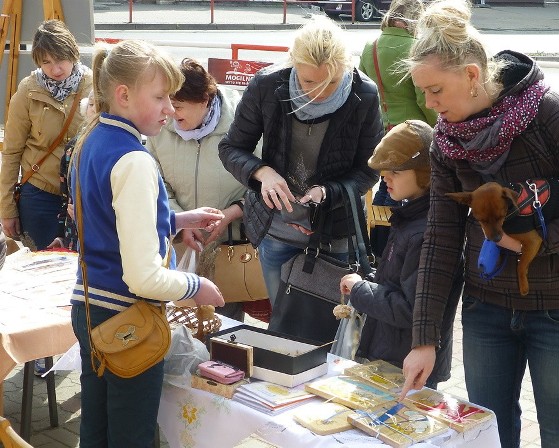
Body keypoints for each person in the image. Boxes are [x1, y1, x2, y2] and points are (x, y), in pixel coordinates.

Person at [399, 1, 559, 447]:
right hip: (485, 312)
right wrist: (425, 338)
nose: (428, 105)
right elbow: (440, 242)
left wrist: (532, 242)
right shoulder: (447, 143)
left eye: (435, 91)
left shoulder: (545, 111)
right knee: (487, 432)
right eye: (422, 93)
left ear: (471, 75)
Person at [69, 40, 225, 448]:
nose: (170, 109)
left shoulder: (93, 139)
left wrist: (172, 220)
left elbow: (106, 218)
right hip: (127, 319)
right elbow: (143, 277)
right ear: (123, 94)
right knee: (131, 437)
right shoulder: (135, 158)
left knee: (97, 431)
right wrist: (196, 287)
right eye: (160, 98)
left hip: (90, 305)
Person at [219, 17, 383, 311]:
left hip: (336, 232)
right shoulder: (267, 85)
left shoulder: (364, 93)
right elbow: (231, 147)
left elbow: (370, 168)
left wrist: (328, 192)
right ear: (292, 63)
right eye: (308, 81)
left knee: (334, 330)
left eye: (331, 82)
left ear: (346, 67)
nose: (318, 93)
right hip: (278, 229)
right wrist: (261, 172)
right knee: (283, 325)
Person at [339, 120, 463, 389]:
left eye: (395, 171)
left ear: (424, 173)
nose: (385, 178)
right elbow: (399, 280)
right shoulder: (411, 217)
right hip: (393, 353)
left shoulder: (424, 231)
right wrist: (369, 278)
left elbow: (411, 310)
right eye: (385, 171)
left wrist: (360, 290)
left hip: (405, 363)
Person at [147, 58, 248, 321]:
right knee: (181, 326)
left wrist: (232, 213)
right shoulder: (159, 128)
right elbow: (155, 182)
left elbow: (261, 181)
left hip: (230, 248)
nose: (170, 112)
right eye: (167, 103)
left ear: (204, 100)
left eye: (178, 106)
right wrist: (182, 220)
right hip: (179, 245)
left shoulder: (242, 123)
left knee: (226, 330)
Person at [0, 20, 92, 251]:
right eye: (46, 62)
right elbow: (11, 152)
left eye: (60, 59)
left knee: (82, 273)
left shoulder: (93, 86)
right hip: (40, 194)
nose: (55, 69)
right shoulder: (28, 90)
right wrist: (7, 208)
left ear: (73, 54)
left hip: (85, 195)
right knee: (42, 272)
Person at [358, 0, 437, 257]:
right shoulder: (415, 49)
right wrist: (437, 127)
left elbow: (363, 88)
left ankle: (377, 244)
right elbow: (423, 99)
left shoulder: (372, 46)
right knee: (410, 190)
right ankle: (392, 247)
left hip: (381, 129)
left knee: (387, 184)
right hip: (411, 132)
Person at [48, 89, 97, 250]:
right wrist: (60, 235)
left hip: (100, 237)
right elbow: (65, 197)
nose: (95, 110)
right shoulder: (72, 148)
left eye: (101, 105)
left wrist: (87, 215)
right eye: (91, 104)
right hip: (73, 234)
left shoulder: (116, 148)